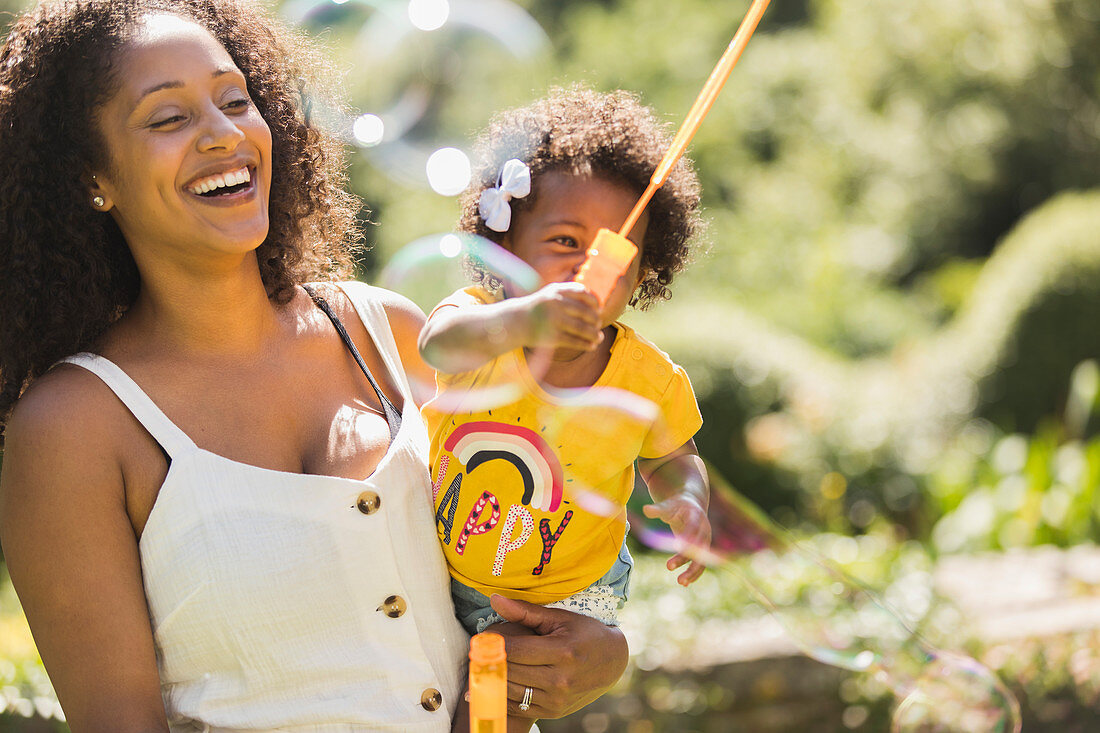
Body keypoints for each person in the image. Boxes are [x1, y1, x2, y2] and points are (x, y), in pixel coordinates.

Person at [0, 3, 627, 731]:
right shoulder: (71, 427)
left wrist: (596, 653)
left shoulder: (393, 335)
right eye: (167, 118)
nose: (224, 133)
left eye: (237, 100)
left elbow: (503, 619)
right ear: (91, 177)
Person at [418, 89, 712, 651]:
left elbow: (672, 457)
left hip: (570, 592)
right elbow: (438, 346)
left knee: (492, 704)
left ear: (644, 269)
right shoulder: (481, 324)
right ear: (504, 246)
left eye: (615, 254)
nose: (586, 269)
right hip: (436, 569)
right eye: (564, 241)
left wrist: (688, 500)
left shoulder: (649, 379)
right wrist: (525, 321)